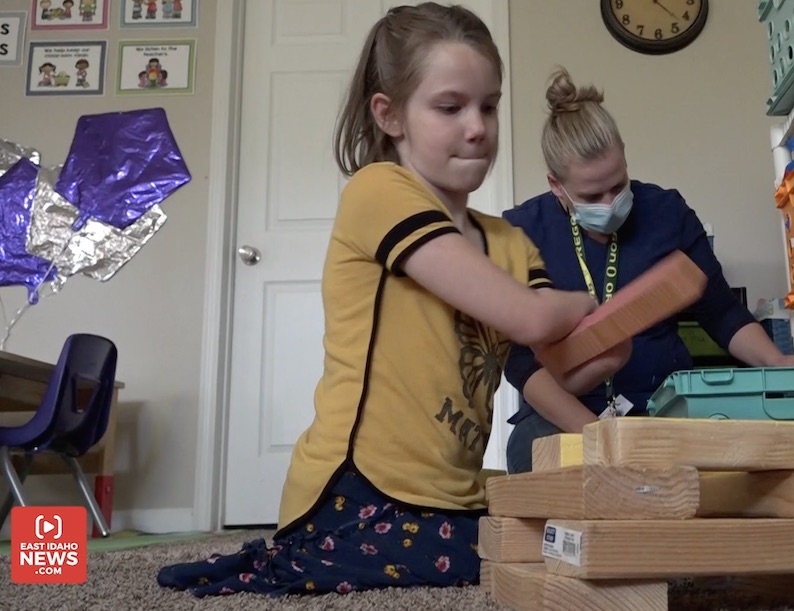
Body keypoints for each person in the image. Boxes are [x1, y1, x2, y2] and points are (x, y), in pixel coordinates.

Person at [157, 6, 625, 597]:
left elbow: (544, 361)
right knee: (534, 555)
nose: (478, 126)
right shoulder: (379, 191)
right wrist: (587, 302)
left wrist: (610, 372)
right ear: (390, 115)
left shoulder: (509, 242)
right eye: (450, 107)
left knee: (577, 530)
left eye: (489, 105)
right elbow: (532, 317)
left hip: (455, 492)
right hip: (358, 492)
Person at [502, 68, 794, 474]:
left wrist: (774, 363)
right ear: (555, 187)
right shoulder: (521, 232)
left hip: (663, 404)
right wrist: (598, 437)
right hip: (563, 418)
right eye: (591, 195)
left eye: (618, 185)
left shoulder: (666, 212)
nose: (610, 201)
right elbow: (520, 363)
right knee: (536, 454)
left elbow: (721, 312)